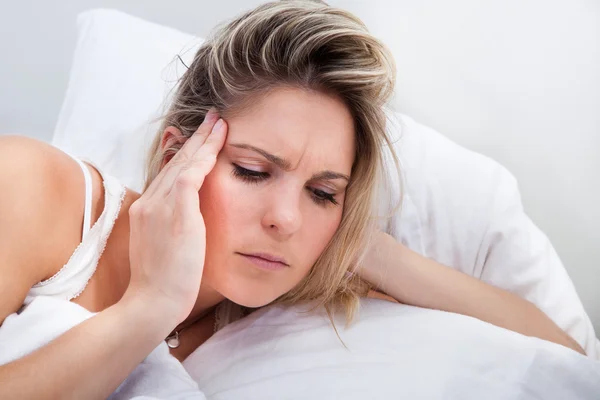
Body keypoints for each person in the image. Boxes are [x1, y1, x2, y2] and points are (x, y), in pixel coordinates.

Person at [0, 1, 588, 398]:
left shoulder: (289, 292)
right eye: (254, 171)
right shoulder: (31, 189)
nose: (285, 219)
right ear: (179, 151)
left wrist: (365, 248)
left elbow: (562, 361)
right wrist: (148, 308)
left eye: (322, 192)